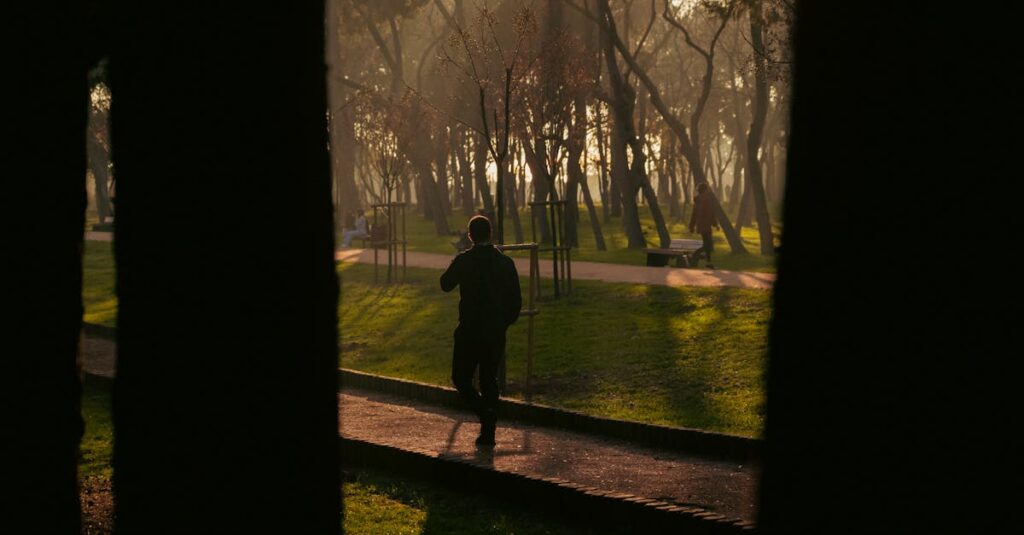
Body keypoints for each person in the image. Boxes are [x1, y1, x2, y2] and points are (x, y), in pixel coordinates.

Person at [440, 215, 522, 446]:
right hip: (495, 330)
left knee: (461, 378)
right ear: (491, 234)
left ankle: (483, 414)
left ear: (470, 236)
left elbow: (445, 284)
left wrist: (455, 260)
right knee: (489, 379)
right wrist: (503, 323)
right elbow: (515, 301)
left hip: (469, 329)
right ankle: (489, 430)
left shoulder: (464, 260)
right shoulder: (505, 263)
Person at [689, 182, 720, 269]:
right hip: (706, 225)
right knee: (708, 245)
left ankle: (708, 261)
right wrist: (715, 224)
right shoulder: (707, 200)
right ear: (705, 190)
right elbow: (711, 214)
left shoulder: (697, 201)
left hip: (700, 225)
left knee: (707, 244)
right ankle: (696, 255)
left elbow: (694, 215)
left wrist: (691, 226)